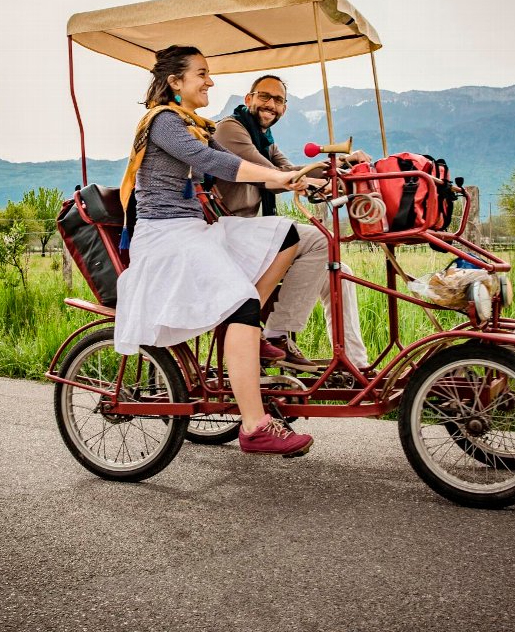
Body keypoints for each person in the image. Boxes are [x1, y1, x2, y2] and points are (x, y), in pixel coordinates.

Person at [114, 45, 318, 457]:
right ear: (175, 82)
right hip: (165, 236)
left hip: (194, 230)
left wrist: (303, 181)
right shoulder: (163, 123)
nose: (210, 81)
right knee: (243, 300)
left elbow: (249, 169)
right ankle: (255, 426)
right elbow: (217, 164)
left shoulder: (195, 124)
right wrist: (286, 176)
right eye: (202, 74)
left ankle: (244, 327)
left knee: (286, 236)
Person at [213, 74, 372, 371]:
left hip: (249, 233)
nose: (270, 105)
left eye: (278, 100)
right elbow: (271, 176)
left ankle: (354, 364)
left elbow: (290, 170)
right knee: (321, 241)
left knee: (340, 271)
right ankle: (277, 331)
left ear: (284, 108)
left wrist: (341, 167)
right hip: (227, 232)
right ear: (248, 99)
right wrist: (308, 180)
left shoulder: (264, 141)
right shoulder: (230, 130)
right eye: (264, 97)